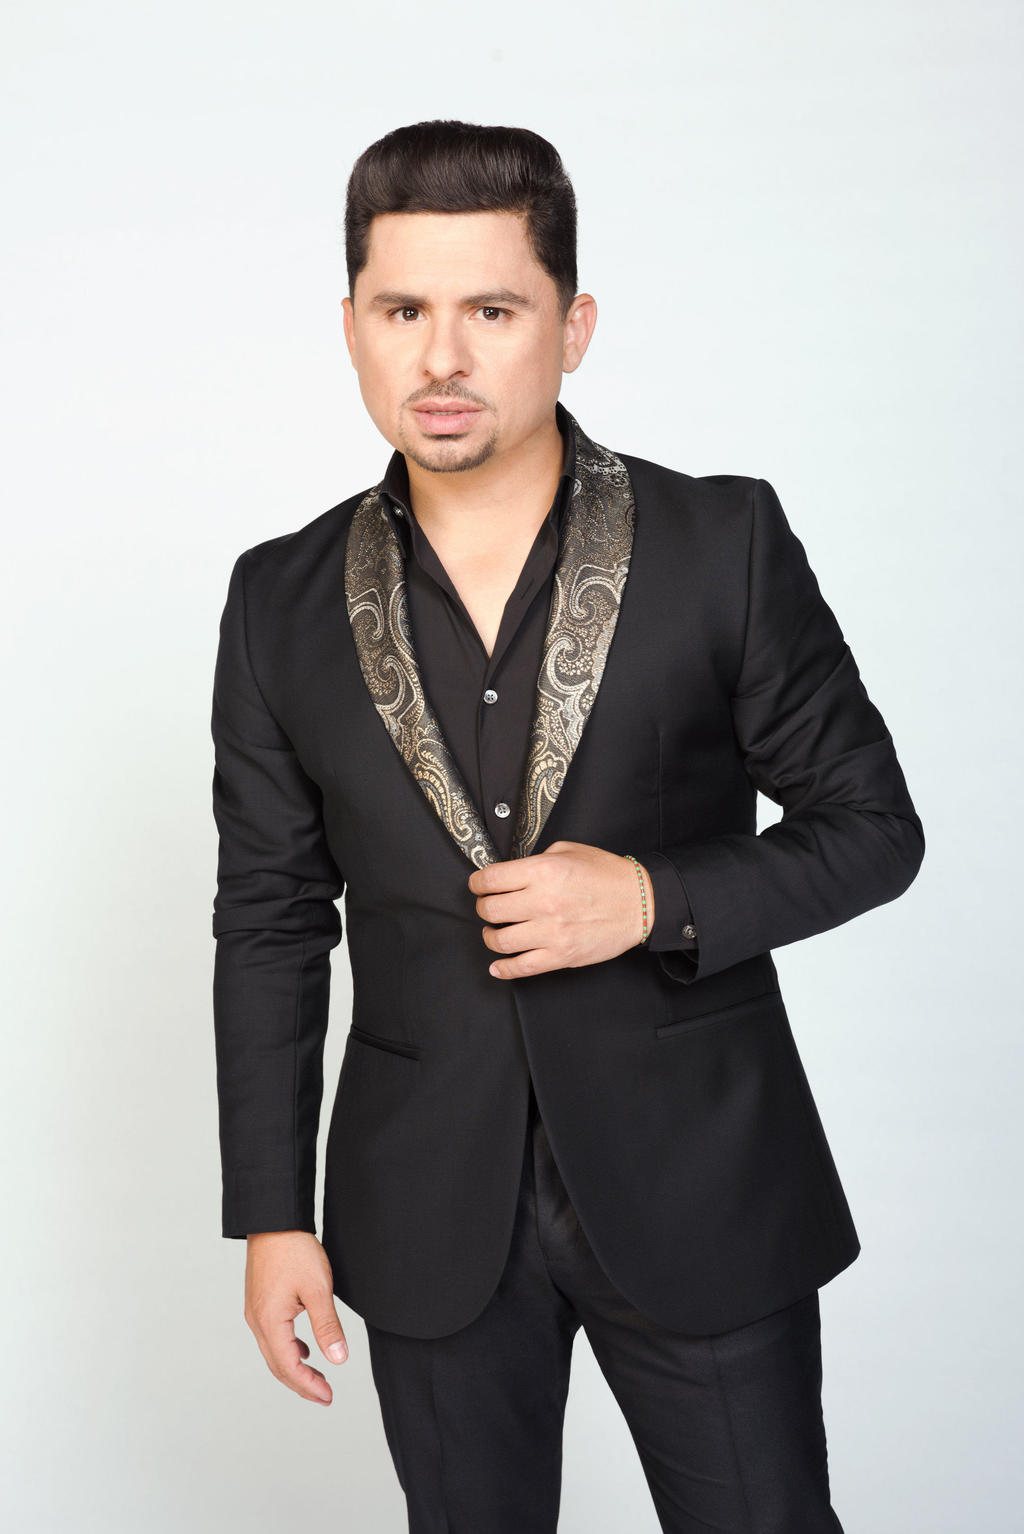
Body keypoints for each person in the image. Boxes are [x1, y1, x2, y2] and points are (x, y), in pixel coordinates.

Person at [210, 119, 924, 1533]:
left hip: (703, 1183)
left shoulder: (722, 544)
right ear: (350, 329)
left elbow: (871, 826)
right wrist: (273, 1215)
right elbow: (270, 918)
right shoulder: (276, 599)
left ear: (573, 327)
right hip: (425, 1205)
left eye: (492, 311)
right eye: (401, 312)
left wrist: (653, 900)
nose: (441, 357)